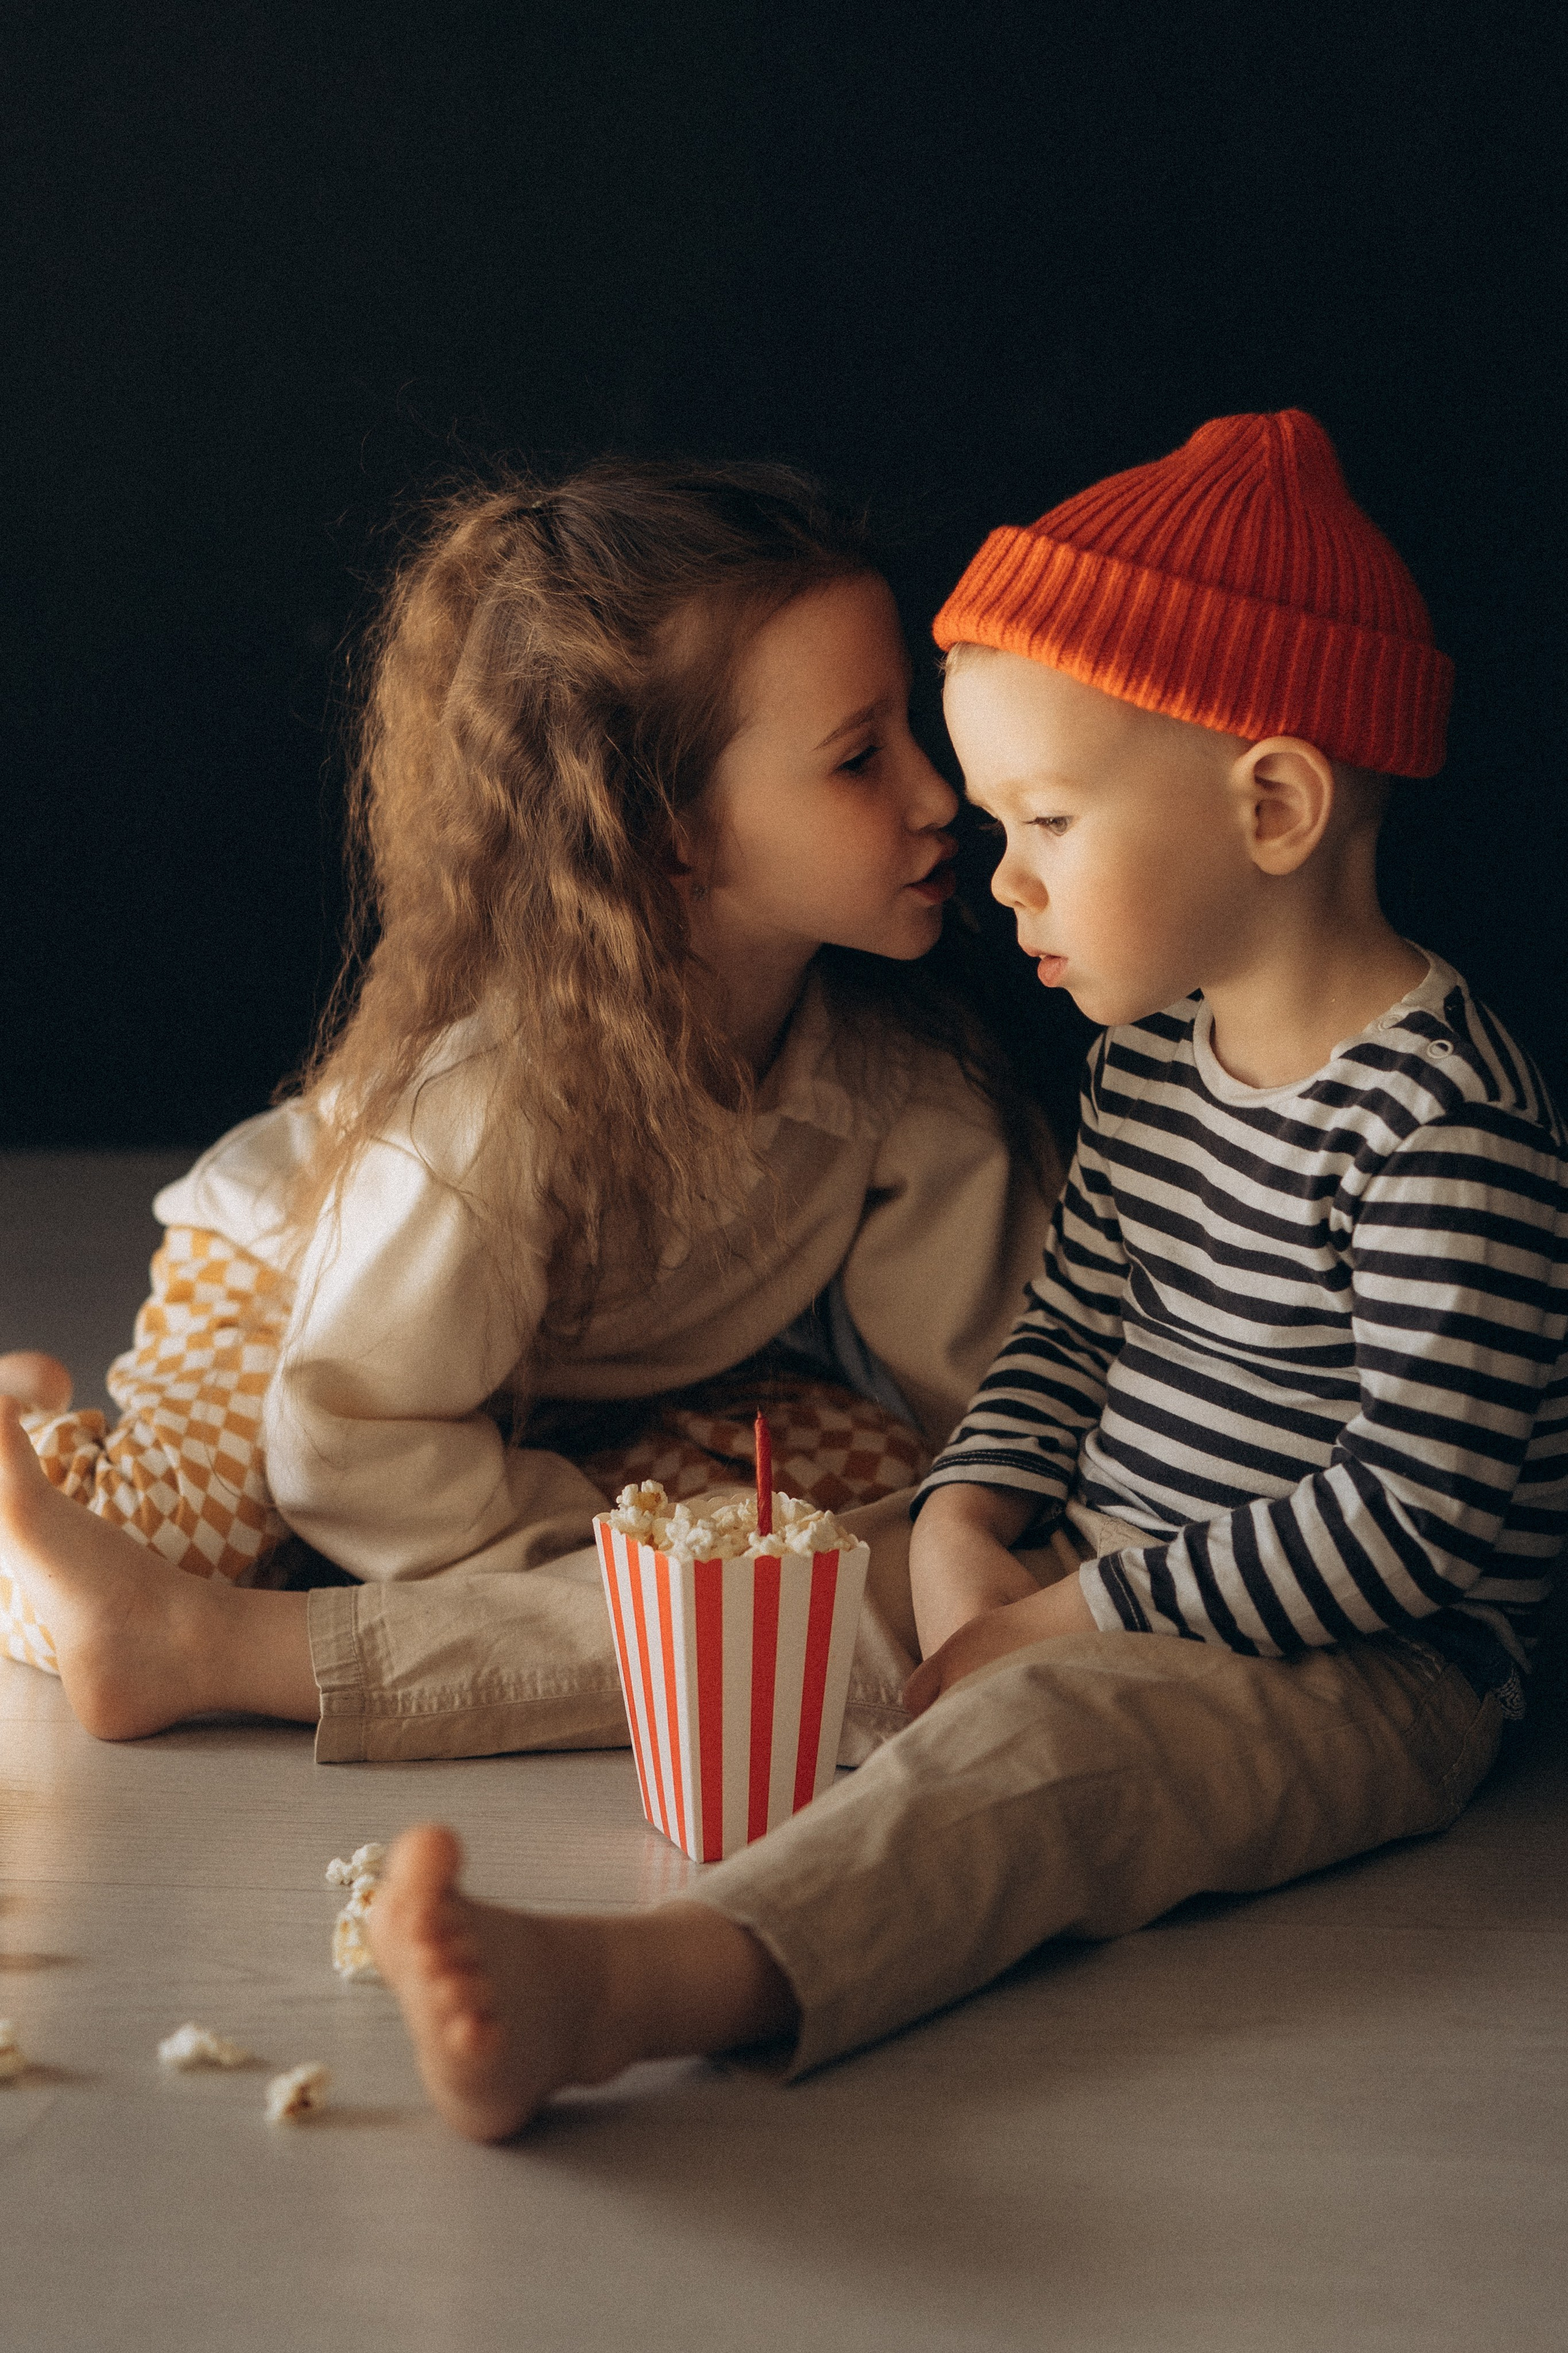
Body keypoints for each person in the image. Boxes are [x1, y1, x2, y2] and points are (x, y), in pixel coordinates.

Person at [276, 409, 1561, 2147]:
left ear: (1272, 806)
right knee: (758, 1604)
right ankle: (235, 1653)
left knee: (1027, 1781)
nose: (994, 863)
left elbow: (1411, 1520)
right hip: (1095, 1570)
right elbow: (1073, 1329)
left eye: (1046, 818)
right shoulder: (1155, 1059)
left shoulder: (1443, 1120)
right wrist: (969, 1520)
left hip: (1356, 1664)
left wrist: (1060, 1621)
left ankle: (651, 1985)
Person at [0, 460, 1059, 1754]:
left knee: (856, 1512)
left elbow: (1000, 1420)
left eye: (912, 730)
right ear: (666, 833)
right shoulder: (492, 1108)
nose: (937, 794)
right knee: (186, 1541)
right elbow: (349, 1435)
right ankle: (36, 1478)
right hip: (316, 1314)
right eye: (857, 758)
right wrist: (574, 1563)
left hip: (563, 1389)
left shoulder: (905, 1087)